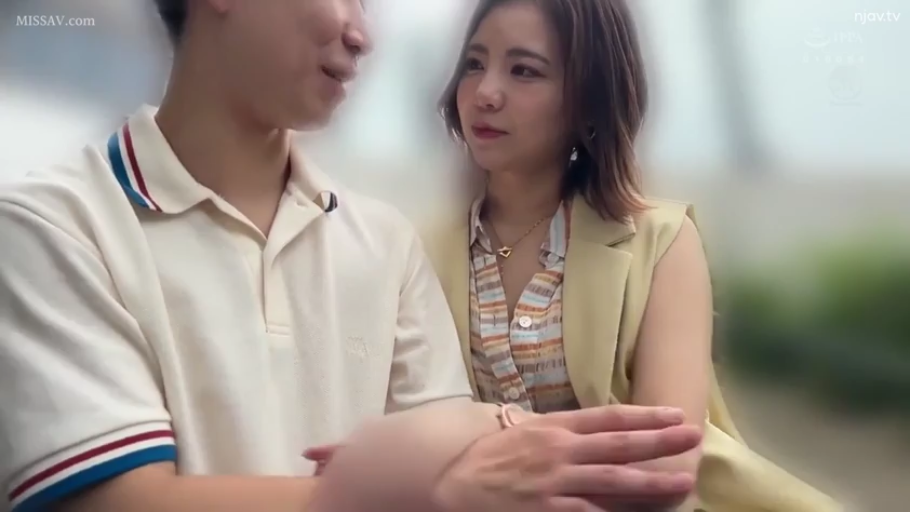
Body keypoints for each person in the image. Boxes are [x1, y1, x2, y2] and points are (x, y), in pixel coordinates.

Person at [0, 1, 704, 511]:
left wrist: (479, 445)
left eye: (526, 71)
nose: (362, 34)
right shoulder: (52, 226)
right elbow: (118, 500)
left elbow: (473, 445)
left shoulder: (385, 243)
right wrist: (428, 490)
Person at [423, 0, 845, 510]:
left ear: (588, 99)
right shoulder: (419, 252)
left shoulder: (661, 241)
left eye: (524, 71)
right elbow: (407, 432)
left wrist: (487, 455)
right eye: (473, 64)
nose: (485, 92)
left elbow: (664, 462)